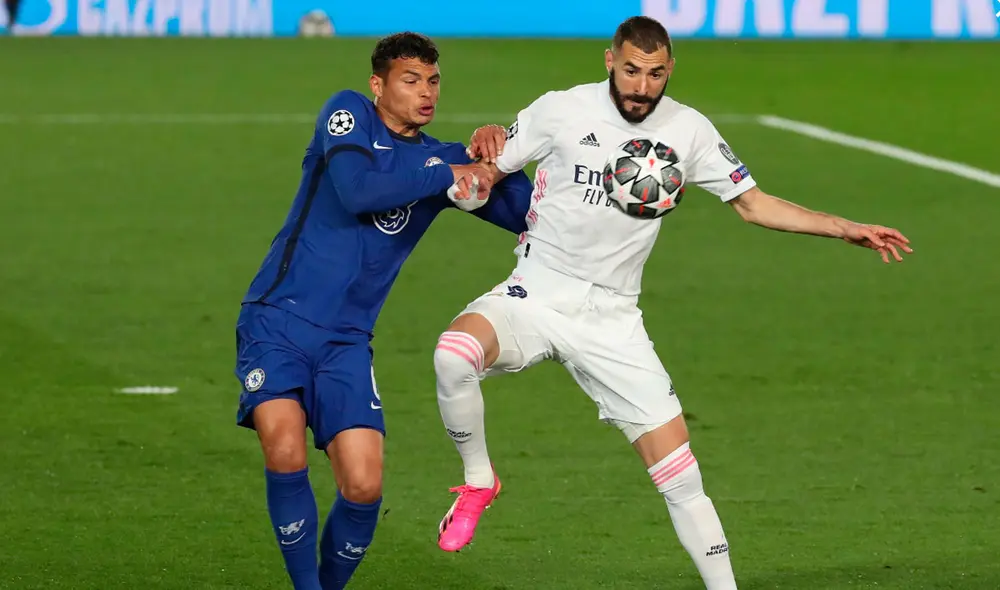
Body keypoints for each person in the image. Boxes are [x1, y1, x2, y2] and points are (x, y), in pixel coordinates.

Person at [431, 15, 912, 590]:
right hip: (536, 290)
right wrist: (476, 174)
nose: (641, 86)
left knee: (681, 479)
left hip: (613, 319)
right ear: (610, 61)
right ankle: (479, 481)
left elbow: (753, 204)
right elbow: (490, 167)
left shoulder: (689, 130)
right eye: (631, 70)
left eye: (655, 74)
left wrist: (844, 227)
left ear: (670, 70)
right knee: (454, 354)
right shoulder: (561, 108)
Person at [234, 32, 531, 590]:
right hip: (278, 318)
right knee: (284, 443)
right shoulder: (348, 113)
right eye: (411, 80)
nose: (426, 93)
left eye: (434, 81)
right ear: (379, 84)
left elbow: (527, 214)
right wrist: (450, 173)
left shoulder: (440, 159)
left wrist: (504, 154)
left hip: (347, 341)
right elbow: (357, 190)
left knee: (365, 485)